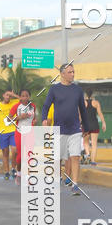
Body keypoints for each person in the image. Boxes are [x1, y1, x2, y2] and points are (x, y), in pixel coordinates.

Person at [41, 63, 89, 195]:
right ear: (62, 74)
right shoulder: (54, 89)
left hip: (75, 129)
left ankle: (75, 184)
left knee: (75, 156)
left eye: (73, 72)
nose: (73, 74)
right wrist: (44, 119)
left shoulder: (77, 90)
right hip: (59, 129)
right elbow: (46, 106)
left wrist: (86, 126)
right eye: (70, 72)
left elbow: (83, 110)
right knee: (58, 158)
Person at [9, 89, 37, 183]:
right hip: (19, 132)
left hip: (30, 132)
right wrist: (19, 117)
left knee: (30, 154)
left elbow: (34, 118)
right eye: (23, 96)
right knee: (20, 156)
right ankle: (19, 172)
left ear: (29, 97)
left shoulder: (33, 106)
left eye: (27, 95)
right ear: (20, 97)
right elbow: (8, 119)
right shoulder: (16, 106)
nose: (25, 97)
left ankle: (29, 175)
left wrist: (34, 121)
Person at [0, 88, 19, 179]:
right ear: (3, 95)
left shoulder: (14, 102)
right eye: (7, 95)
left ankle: (13, 169)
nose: (8, 97)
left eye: (9, 95)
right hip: (2, 132)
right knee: (5, 153)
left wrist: (14, 95)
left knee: (15, 150)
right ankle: (6, 172)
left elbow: (24, 100)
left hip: (13, 130)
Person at [83, 89, 106, 165]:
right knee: (94, 144)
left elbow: (79, 114)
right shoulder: (96, 103)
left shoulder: (83, 103)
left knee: (85, 142)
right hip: (95, 125)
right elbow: (100, 113)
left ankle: (88, 155)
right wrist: (103, 123)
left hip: (86, 125)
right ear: (92, 95)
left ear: (85, 95)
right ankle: (92, 161)